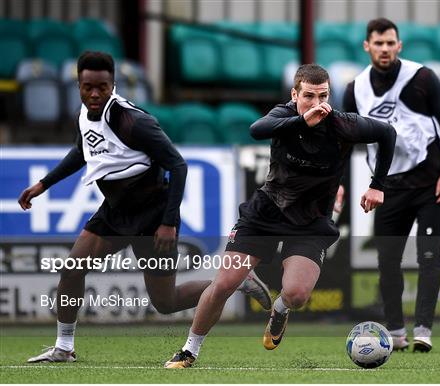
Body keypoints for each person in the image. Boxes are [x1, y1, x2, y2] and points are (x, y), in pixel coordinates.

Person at [19, 51, 271, 363]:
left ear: (113, 85)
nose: (94, 93)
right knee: (72, 269)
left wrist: (168, 223)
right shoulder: (84, 115)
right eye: (88, 87)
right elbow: (82, 150)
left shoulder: (133, 121)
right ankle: (64, 347)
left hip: (153, 216)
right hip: (114, 212)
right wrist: (44, 184)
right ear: (79, 86)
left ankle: (235, 282)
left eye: (102, 86)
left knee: (165, 301)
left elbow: (178, 166)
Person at [164, 63, 396, 368]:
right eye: (309, 96)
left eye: (323, 96)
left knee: (297, 294)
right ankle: (189, 350)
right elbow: (256, 129)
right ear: (294, 94)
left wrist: (377, 185)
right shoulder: (283, 116)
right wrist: (301, 121)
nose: (317, 104)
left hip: (311, 222)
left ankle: (280, 310)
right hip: (264, 214)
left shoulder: (343, 124)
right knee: (223, 285)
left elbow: (387, 133)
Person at [343, 18, 440, 352]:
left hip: (430, 184)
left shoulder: (422, 78)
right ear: (367, 46)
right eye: (378, 43)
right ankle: (395, 331)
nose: (385, 49)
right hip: (388, 187)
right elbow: (344, 140)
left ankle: (423, 330)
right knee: (387, 261)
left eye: (390, 43)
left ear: (399, 45)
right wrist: (337, 183)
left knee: (429, 256)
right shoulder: (355, 89)